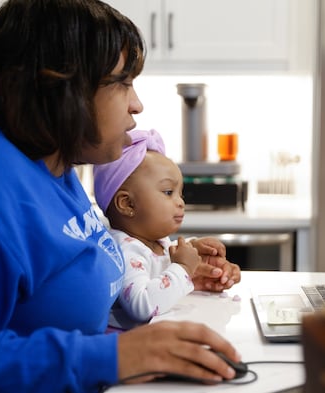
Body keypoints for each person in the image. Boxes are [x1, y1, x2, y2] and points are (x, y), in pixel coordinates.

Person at [0, 1, 243, 392]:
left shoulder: (55, 169)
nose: (136, 104)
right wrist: (116, 357)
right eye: (122, 83)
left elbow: (65, 296)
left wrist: (177, 276)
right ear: (60, 85)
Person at [93, 129, 240, 327]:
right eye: (168, 192)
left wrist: (192, 248)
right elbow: (142, 305)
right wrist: (183, 268)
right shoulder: (125, 250)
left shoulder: (154, 241)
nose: (180, 202)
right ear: (127, 204)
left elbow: (159, 264)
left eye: (180, 194)